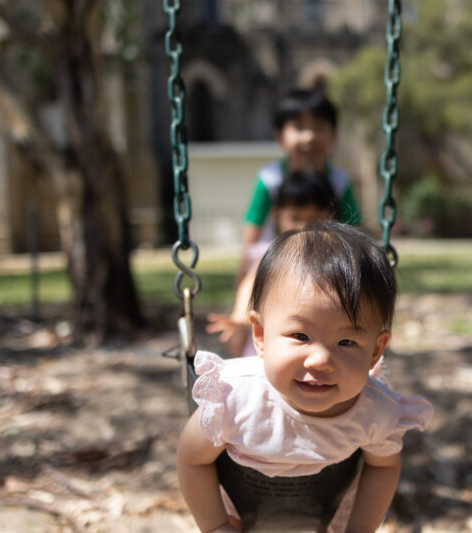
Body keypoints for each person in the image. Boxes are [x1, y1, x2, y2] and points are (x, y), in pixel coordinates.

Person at [176, 221, 434, 533]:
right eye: (300, 335)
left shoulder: (376, 411)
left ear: (376, 350)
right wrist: (216, 525)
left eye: (347, 342)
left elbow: (383, 467)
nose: (321, 359)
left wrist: (360, 528)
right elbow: (192, 459)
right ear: (259, 335)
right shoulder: (233, 396)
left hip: (331, 507)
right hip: (233, 498)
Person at [206, 169, 339, 357]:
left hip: (321, 344)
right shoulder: (273, 254)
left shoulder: (336, 257)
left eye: (315, 219)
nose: (304, 228)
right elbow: (250, 283)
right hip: (274, 347)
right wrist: (239, 316)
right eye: (296, 218)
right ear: (276, 216)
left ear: (331, 217)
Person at [237, 88, 362, 284]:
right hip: (275, 260)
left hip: (324, 259)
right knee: (256, 269)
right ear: (280, 136)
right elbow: (251, 237)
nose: (309, 137)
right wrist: (241, 281)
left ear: (334, 136)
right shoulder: (270, 179)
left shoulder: (340, 182)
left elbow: (355, 236)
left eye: (319, 127)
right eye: (298, 127)